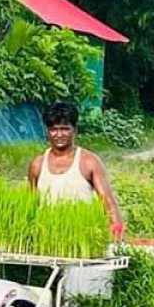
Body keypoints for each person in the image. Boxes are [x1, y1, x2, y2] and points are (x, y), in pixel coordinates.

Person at [28, 101, 124, 238]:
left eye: (65, 129)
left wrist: (117, 238)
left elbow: (109, 204)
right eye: (54, 129)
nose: (59, 135)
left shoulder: (89, 162)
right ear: (47, 131)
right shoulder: (37, 164)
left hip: (82, 237)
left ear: (75, 129)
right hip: (46, 238)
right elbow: (30, 205)